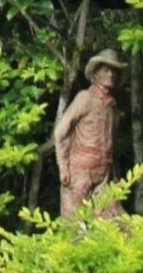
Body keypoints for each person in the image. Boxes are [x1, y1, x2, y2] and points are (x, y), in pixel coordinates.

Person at [53, 49, 126, 219]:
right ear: (96, 73)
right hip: (80, 173)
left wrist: (114, 175)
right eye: (106, 70)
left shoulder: (112, 108)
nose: (111, 75)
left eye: (114, 71)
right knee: (75, 225)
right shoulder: (85, 98)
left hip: (103, 175)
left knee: (115, 223)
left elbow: (111, 145)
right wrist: (63, 166)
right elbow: (60, 132)